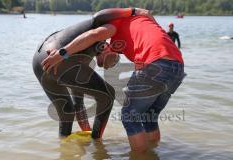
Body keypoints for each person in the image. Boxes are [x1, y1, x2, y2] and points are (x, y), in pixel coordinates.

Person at [41, 7, 186, 153]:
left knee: (129, 116)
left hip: (154, 63)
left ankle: (142, 157)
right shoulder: (140, 23)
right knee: (149, 116)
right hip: (177, 67)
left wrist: (62, 53)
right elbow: (147, 18)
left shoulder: (116, 24)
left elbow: (93, 35)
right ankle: (154, 152)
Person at [33, 8, 150, 139]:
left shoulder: (82, 54)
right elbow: (98, 18)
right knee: (107, 95)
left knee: (66, 113)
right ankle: (97, 142)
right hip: (57, 55)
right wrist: (133, 11)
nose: (111, 65)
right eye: (114, 58)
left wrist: (86, 131)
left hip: (39, 62)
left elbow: (79, 103)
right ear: (106, 47)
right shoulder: (102, 35)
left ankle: (64, 147)